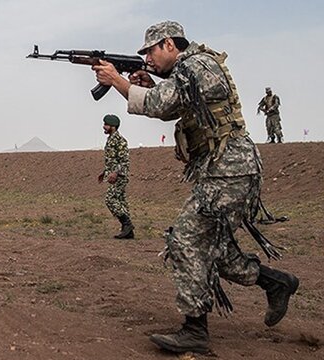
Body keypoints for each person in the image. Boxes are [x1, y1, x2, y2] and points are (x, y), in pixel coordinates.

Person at [92, 21, 299, 354]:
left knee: (186, 239)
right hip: (223, 170)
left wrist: (116, 80)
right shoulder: (188, 71)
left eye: (151, 52)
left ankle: (195, 331)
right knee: (217, 252)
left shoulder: (196, 64)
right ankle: (276, 283)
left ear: (170, 45)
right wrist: (144, 83)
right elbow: (167, 107)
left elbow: (158, 104)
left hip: (230, 170)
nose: (148, 59)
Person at [97, 114, 134, 239]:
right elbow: (112, 159)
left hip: (119, 176)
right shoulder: (111, 139)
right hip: (113, 175)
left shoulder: (120, 140)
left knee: (110, 199)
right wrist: (105, 172)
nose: (104, 127)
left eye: (106, 124)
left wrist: (115, 173)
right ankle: (128, 231)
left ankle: (127, 225)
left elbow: (124, 160)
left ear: (113, 126)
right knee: (121, 201)